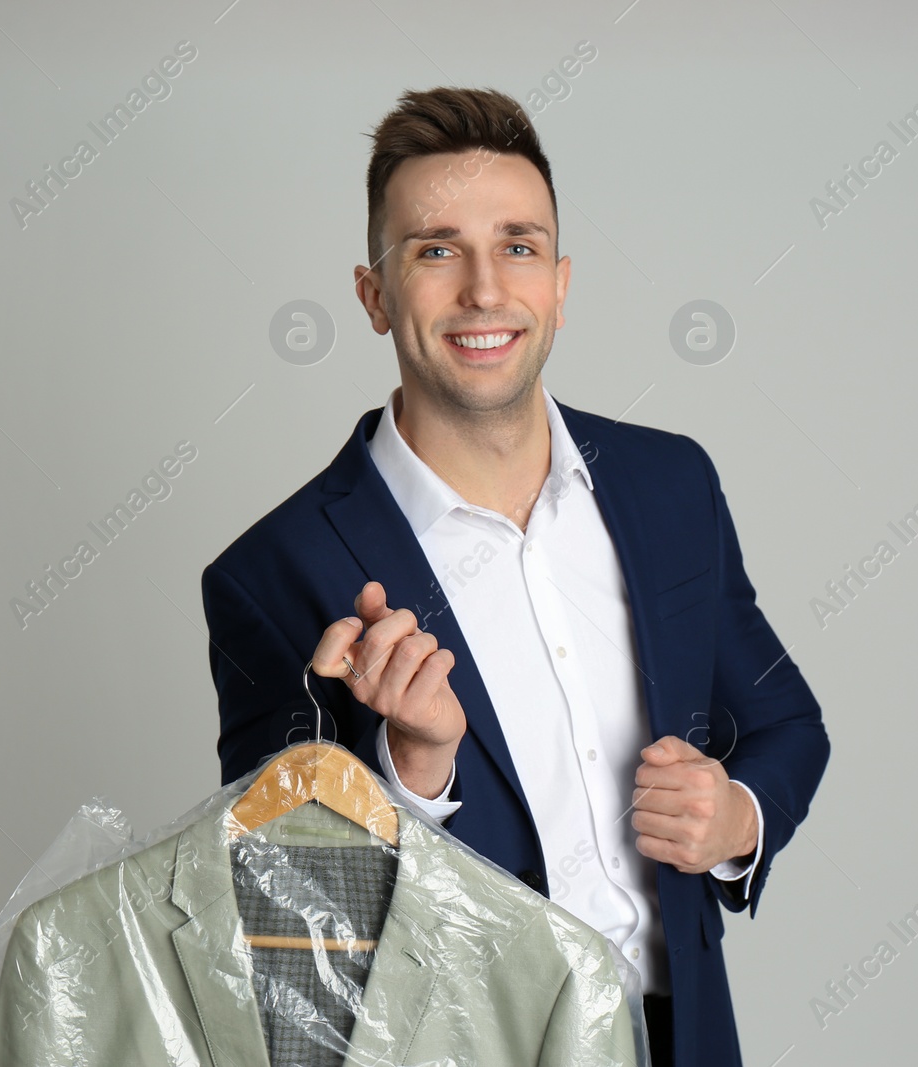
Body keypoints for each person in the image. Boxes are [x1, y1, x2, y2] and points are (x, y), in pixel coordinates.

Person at [201, 86, 830, 1067]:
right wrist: (410, 773)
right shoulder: (275, 572)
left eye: (519, 246)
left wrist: (733, 815)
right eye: (435, 249)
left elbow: (787, 723)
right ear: (374, 294)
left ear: (561, 285)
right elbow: (293, 956)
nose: (484, 290)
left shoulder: (672, 486)